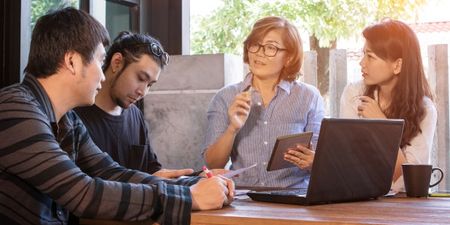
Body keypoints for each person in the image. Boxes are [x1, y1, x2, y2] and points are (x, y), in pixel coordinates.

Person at [0, 7, 233, 225]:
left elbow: (111, 172)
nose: (102, 76)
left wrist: (194, 183)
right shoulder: (15, 109)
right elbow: (84, 193)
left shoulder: (67, 120)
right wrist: (189, 197)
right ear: (72, 61)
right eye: (100, 61)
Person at [202, 16, 325, 188]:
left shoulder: (309, 97)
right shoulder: (225, 96)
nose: (259, 53)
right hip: (241, 199)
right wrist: (232, 128)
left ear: (288, 57)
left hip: (293, 199)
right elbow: (213, 165)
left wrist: (313, 162)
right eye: (255, 44)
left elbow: (322, 162)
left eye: (270, 48)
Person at [75, 31, 200, 179]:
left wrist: (198, 179)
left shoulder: (135, 115)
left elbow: (152, 171)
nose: (143, 92)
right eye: (141, 78)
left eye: (150, 85)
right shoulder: (74, 115)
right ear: (117, 62)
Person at [339, 19, 437, 191]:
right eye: (363, 54)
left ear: (397, 65)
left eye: (370, 56)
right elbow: (348, 162)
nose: (362, 62)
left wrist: (382, 125)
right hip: (358, 195)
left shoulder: (425, 109)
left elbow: (407, 179)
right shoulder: (354, 94)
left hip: (405, 205)